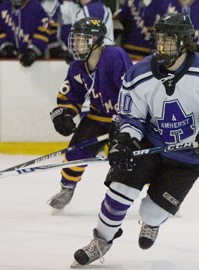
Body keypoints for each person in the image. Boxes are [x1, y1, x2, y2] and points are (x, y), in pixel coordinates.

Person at [71, 12, 199, 267]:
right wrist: (126, 141)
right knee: (121, 189)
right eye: (159, 39)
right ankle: (101, 240)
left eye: (170, 40)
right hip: (149, 144)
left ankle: (151, 223)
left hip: (188, 155)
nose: (162, 46)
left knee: (151, 212)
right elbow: (130, 116)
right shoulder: (138, 74)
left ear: (185, 41)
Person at [48, 17, 133, 212]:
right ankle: (67, 188)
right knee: (75, 151)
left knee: (132, 158)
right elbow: (71, 96)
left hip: (126, 119)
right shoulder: (77, 66)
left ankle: (154, 192)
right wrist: (65, 113)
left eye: (81, 38)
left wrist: (122, 120)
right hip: (98, 117)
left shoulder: (114, 56)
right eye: (75, 38)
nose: (76, 43)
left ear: (96, 40)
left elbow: (131, 92)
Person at [0, 0, 51, 66]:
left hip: (36, 62)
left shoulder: (36, 7)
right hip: (9, 63)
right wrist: (5, 46)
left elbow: (45, 29)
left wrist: (34, 50)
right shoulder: (3, 8)